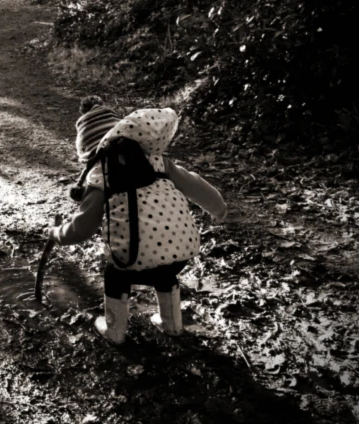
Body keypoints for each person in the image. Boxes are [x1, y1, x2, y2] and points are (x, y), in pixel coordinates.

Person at [47, 105, 227, 345]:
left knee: (115, 273)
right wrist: (218, 208)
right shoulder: (159, 162)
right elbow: (195, 185)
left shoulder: (101, 176)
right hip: (181, 251)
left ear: (90, 154)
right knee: (165, 270)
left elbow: (82, 229)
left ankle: (115, 330)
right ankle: (172, 324)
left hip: (132, 260)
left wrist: (56, 233)